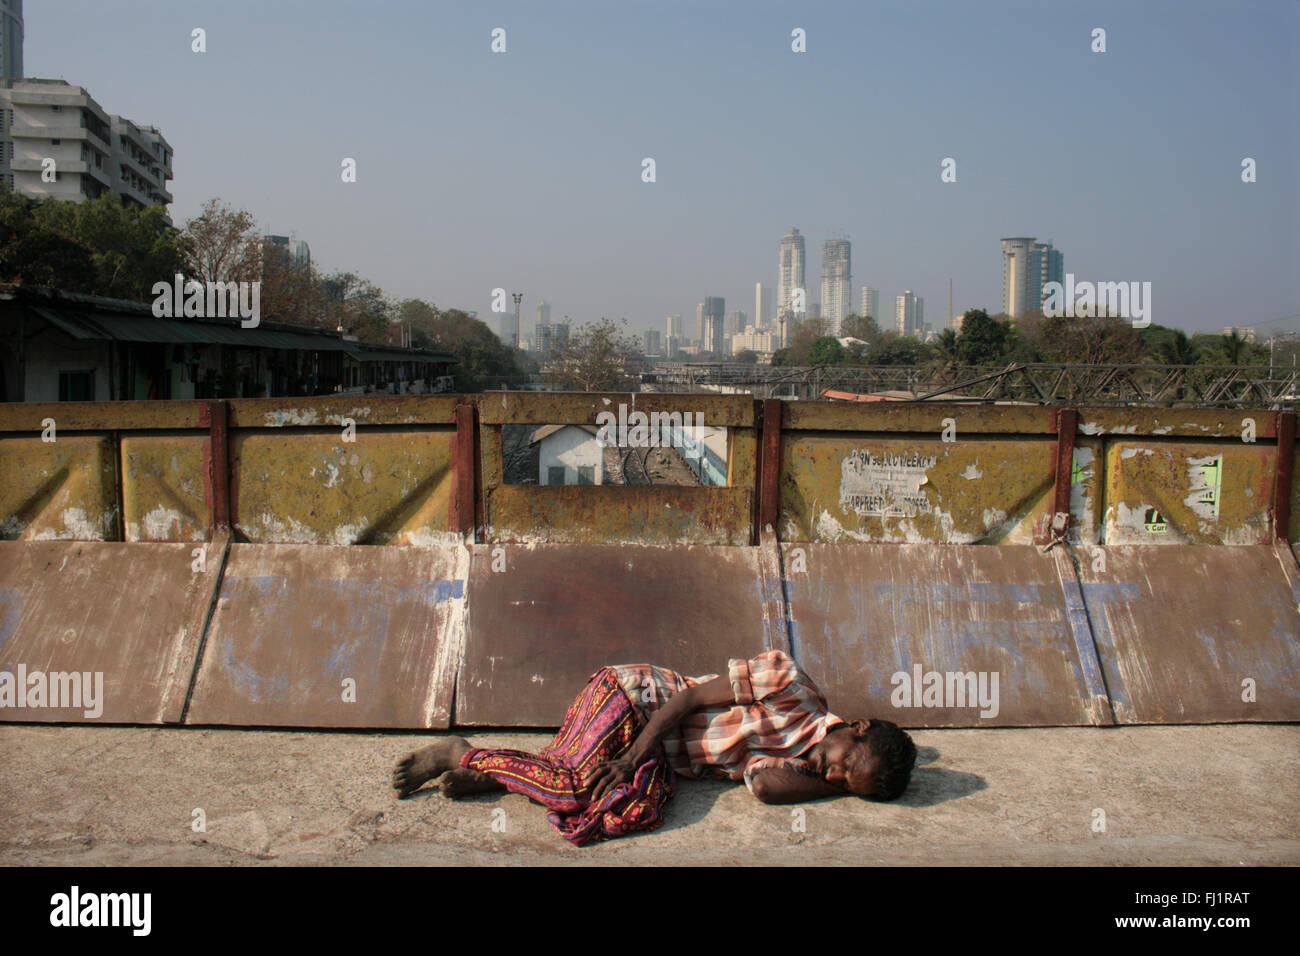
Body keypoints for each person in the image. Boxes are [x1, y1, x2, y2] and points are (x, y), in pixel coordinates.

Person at [391, 649, 916, 846]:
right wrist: (629, 758)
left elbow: (766, 787)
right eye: (848, 764)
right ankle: (458, 753)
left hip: (658, 756)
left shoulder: (799, 767)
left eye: (846, 786)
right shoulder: (788, 682)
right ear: (859, 726)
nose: (833, 775)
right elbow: (687, 698)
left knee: (624, 812)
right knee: (576, 787)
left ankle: (500, 775)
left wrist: (838, 787)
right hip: (636, 699)